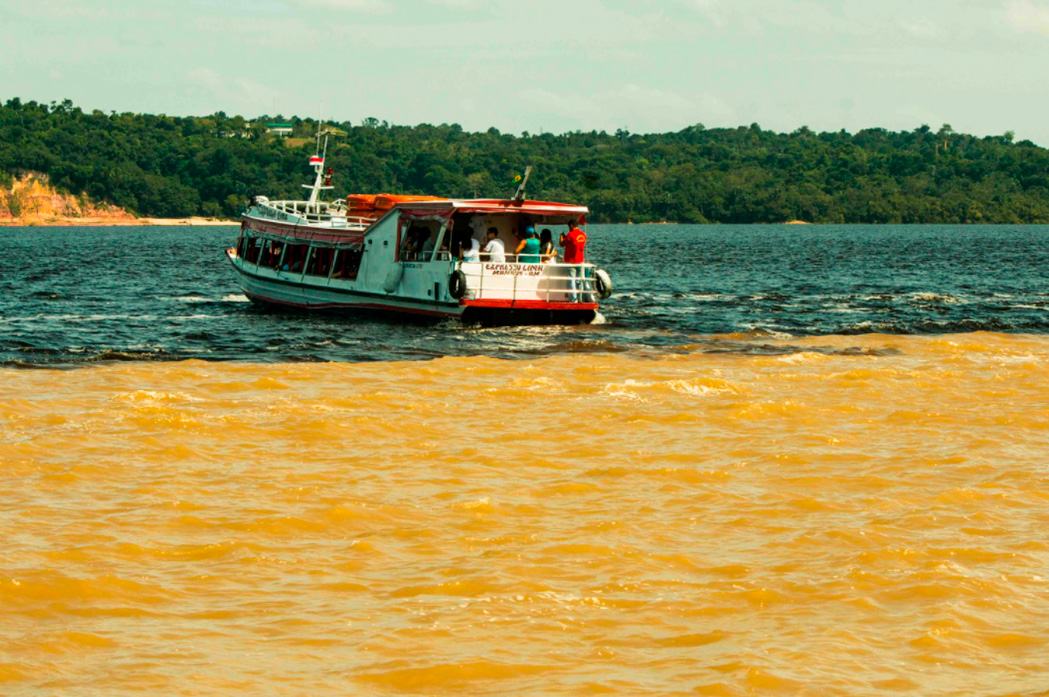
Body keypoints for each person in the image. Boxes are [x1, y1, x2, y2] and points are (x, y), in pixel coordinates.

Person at [560, 220, 588, 300]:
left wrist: (561, 237)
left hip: (571, 261)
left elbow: (562, 244)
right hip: (580, 260)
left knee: (571, 280)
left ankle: (573, 299)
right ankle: (580, 298)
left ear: (571, 225)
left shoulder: (570, 234)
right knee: (579, 280)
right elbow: (575, 244)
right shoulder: (583, 235)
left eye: (569, 226)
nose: (569, 228)